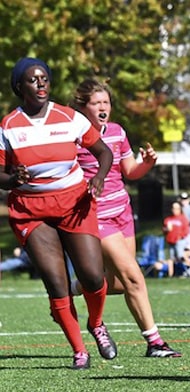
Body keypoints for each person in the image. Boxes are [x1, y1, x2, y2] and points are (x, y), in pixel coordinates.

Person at [0, 57, 116, 370]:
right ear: (19, 87)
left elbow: (104, 152)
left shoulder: (69, 117)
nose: (40, 84)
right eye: (33, 80)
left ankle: (96, 323)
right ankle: (79, 350)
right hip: (32, 211)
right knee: (57, 283)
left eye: (45, 79)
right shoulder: (9, 126)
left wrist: (99, 177)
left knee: (92, 276)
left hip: (74, 203)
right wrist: (13, 180)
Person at [70, 78, 181, 358]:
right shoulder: (73, 137)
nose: (103, 107)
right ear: (84, 107)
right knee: (134, 277)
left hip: (123, 213)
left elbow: (129, 171)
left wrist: (147, 163)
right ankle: (155, 342)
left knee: (118, 283)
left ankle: (79, 285)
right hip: (97, 217)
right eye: (97, 103)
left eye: (106, 102)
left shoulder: (118, 132)